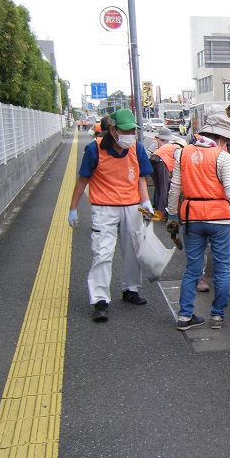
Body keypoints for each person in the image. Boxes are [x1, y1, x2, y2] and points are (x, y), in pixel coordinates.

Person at [166, 107, 230, 331]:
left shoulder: (183, 153)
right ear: (219, 137)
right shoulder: (222, 156)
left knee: (192, 269)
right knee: (221, 269)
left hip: (191, 218)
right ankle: (217, 316)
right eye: (226, 140)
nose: (227, 144)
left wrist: (171, 215)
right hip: (219, 219)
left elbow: (174, 189)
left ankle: (185, 316)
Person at [67, 109, 154, 322]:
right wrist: (72, 208)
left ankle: (130, 289)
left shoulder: (137, 148)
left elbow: (141, 178)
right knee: (102, 253)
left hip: (132, 206)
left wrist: (145, 202)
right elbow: (82, 180)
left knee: (134, 249)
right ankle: (100, 300)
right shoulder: (94, 150)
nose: (131, 134)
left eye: (134, 130)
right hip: (104, 207)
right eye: (127, 130)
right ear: (113, 130)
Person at [148, 136, 187, 216]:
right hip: (161, 163)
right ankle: (162, 213)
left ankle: (158, 211)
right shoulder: (178, 149)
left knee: (158, 189)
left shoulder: (168, 146)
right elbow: (177, 165)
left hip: (152, 161)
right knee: (164, 190)